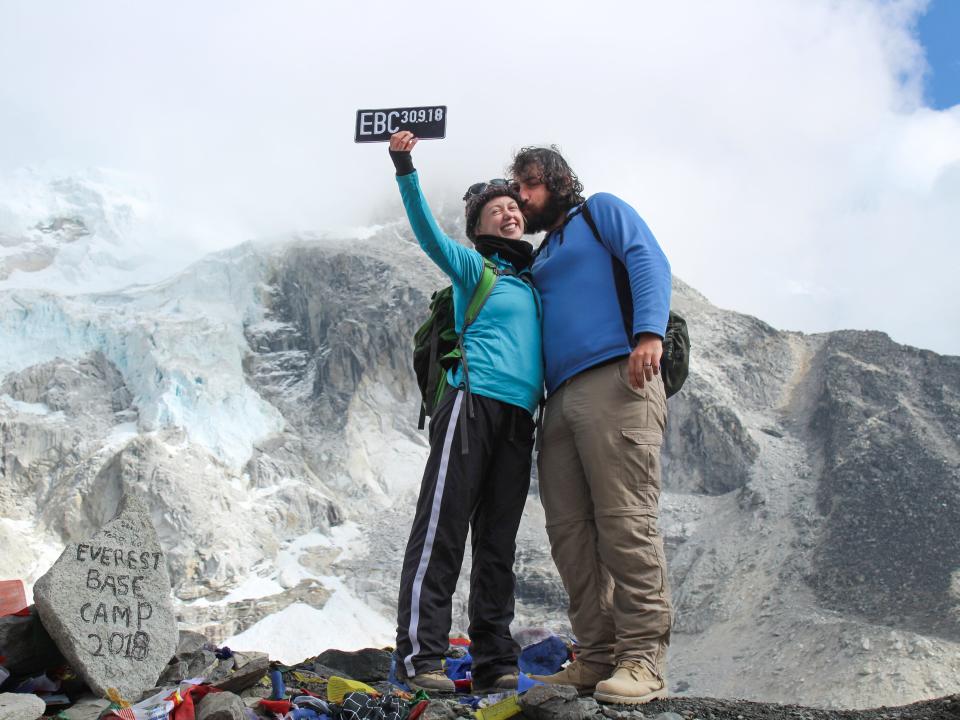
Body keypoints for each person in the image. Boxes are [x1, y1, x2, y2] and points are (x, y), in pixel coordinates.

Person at [510, 146, 672, 705]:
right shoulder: (544, 250)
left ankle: (642, 659)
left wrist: (649, 332)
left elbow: (647, 258)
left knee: (625, 520)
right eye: (518, 186)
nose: (522, 196)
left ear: (556, 182)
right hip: (559, 399)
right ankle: (596, 655)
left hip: (616, 376)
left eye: (529, 185)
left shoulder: (598, 211)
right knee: (571, 534)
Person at [388, 131, 543, 695]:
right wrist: (405, 166)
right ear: (479, 228)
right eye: (496, 210)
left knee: (498, 544)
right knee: (442, 528)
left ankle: (494, 661)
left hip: (519, 420)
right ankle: (422, 656)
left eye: (513, 208)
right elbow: (427, 232)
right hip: (472, 403)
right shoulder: (475, 269)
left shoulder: (535, 281)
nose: (508, 214)